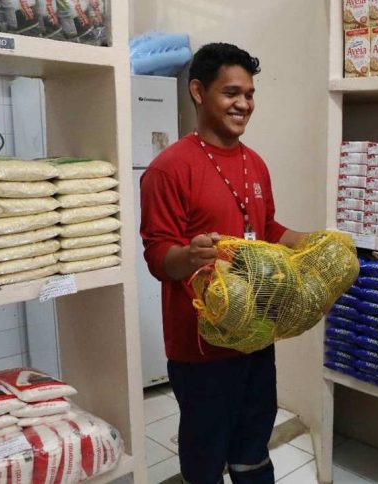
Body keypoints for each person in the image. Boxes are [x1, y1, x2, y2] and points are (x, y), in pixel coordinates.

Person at [139, 43, 307, 484]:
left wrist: (311, 242)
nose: (243, 104)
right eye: (231, 93)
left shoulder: (256, 164)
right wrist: (188, 255)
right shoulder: (168, 169)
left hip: (256, 334)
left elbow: (266, 228)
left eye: (249, 94)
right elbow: (157, 255)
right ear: (198, 91)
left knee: (254, 446)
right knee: (205, 455)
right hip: (200, 348)